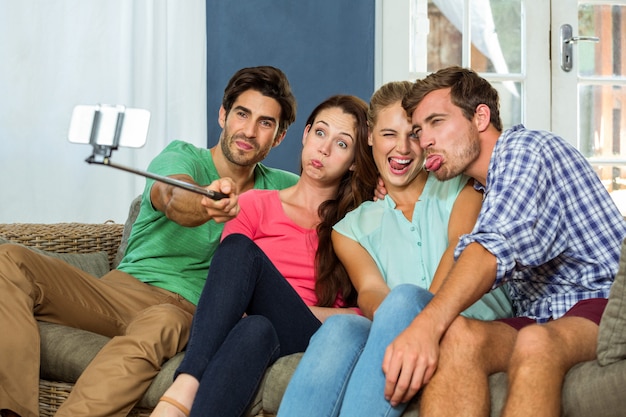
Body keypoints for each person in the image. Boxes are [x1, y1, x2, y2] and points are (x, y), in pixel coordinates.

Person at [0, 65, 299, 417]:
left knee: (163, 320)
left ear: (278, 137)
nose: (248, 131)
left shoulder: (282, 188)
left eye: (265, 123)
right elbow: (171, 196)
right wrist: (207, 202)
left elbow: (332, 200)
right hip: (119, 292)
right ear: (223, 115)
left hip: (188, 312)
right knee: (9, 260)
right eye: (242, 114)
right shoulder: (182, 156)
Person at [378, 66, 626, 417]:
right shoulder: (483, 188)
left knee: (536, 341)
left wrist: (425, 325)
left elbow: (492, 250)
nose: (424, 140)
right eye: (419, 131)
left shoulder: (526, 149)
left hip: (599, 302)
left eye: (436, 122)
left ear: (480, 117)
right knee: (458, 336)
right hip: (543, 316)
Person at [276, 81, 512, 417]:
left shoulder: (460, 184)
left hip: (471, 323)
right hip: (400, 329)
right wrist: (404, 324)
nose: (402, 148)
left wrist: (423, 325)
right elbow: (371, 291)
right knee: (342, 327)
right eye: (389, 134)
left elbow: (457, 248)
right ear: (370, 136)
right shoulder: (350, 228)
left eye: (413, 134)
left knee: (404, 298)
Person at [149, 94, 375, 417]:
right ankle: (187, 385)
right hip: (257, 324)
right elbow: (228, 283)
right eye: (321, 133)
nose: (324, 149)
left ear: (354, 160)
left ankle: (183, 387)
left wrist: (299, 309)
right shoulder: (256, 203)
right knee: (255, 326)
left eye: (342, 144)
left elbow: (362, 313)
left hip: (312, 330)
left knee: (245, 260)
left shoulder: (355, 222)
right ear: (306, 134)